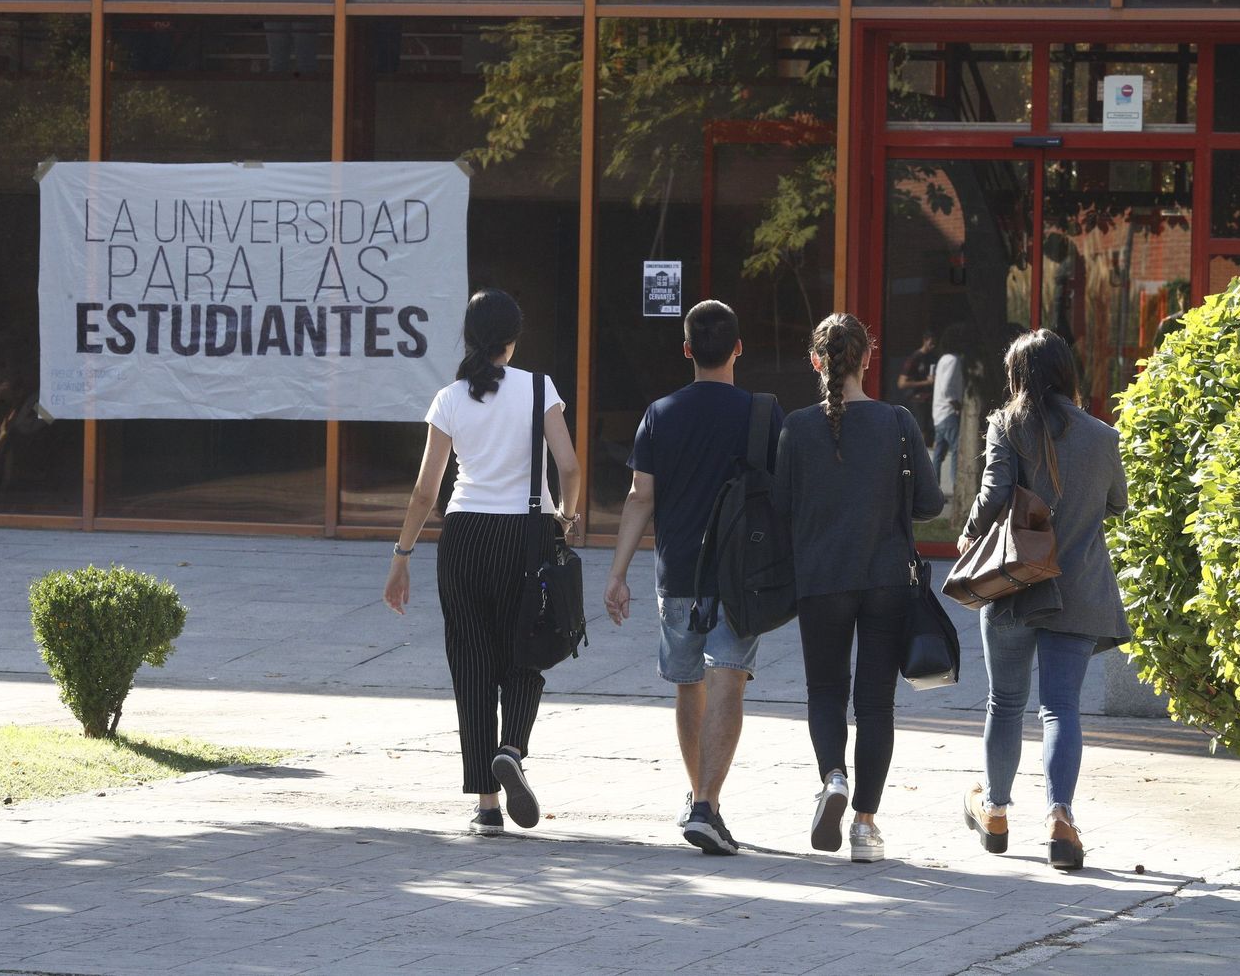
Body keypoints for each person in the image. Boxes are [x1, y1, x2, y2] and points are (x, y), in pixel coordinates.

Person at [383, 289, 581, 836]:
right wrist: (566, 519)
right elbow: (569, 466)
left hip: (465, 535)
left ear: (469, 337)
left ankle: (488, 805)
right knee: (527, 646)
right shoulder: (540, 388)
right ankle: (510, 748)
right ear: (513, 338)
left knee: (470, 662)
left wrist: (402, 555)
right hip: (528, 532)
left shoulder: (449, 398)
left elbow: (426, 492)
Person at [603, 300, 782, 857]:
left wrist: (617, 574)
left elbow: (640, 497)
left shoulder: (660, 413)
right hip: (742, 574)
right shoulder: (761, 413)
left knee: (689, 684)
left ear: (686, 350)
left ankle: (699, 798)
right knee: (728, 679)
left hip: (678, 571)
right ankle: (706, 803)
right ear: (738, 348)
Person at [957, 329, 1129, 872]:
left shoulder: (1007, 425)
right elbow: (1117, 503)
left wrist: (968, 536)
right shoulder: (1102, 435)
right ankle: (1060, 819)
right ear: (1065, 372)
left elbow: (993, 494)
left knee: (1005, 703)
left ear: (1018, 378)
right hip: (1078, 588)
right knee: (1061, 708)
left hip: (1014, 586)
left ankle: (996, 813)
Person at [774, 313, 942, 863]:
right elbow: (929, 504)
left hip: (820, 578)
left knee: (825, 691)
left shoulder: (797, 428)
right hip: (886, 577)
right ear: (867, 359)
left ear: (816, 362)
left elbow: (780, 508)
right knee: (875, 704)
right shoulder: (898, 422)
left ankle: (833, 778)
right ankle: (866, 827)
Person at [930, 344, 964, 492]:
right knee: (957, 449)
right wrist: (957, 405)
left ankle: (933, 489)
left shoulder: (943, 359)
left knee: (938, 454)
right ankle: (956, 485)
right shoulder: (953, 360)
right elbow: (947, 388)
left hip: (938, 413)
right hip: (948, 412)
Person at [896, 329, 937, 443]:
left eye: (935, 344)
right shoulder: (915, 358)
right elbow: (901, 383)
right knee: (921, 428)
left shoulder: (932, 357)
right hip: (917, 398)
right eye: (931, 343)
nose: (933, 346)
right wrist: (925, 382)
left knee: (929, 428)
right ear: (925, 341)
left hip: (930, 398)